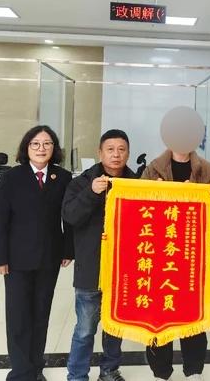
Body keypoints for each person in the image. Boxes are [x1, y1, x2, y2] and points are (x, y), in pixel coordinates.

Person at [0, 125, 74, 381]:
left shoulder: (63, 177)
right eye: (35, 143)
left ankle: (35, 368)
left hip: (49, 257)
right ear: (26, 148)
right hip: (16, 260)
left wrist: (68, 249)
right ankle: (21, 372)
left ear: (54, 149)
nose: (41, 148)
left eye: (47, 143)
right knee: (18, 317)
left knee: (40, 314)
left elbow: (69, 218)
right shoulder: (11, 178)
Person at [141, 147, 210, 381]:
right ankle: (160, 372)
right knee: (159, 314)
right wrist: (157, 192)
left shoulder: (207, 169)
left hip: (192, 252)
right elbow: (139, 203)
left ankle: (194, 370)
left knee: (192, 312)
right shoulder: (153, 169)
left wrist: (196, 195)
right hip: (159, 252)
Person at [63, 129, 136, 381]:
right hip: (91, 268)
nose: (116, 155)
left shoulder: (137, 184)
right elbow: (70, 216)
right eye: (110, 149)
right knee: (85, 329)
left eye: (121, 150)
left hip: (123, 270)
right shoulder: (82, 182)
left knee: (115, 327)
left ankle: (109, 370)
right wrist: (91, 193)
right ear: (100, 152)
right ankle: (77, 375)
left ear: (128, 153)